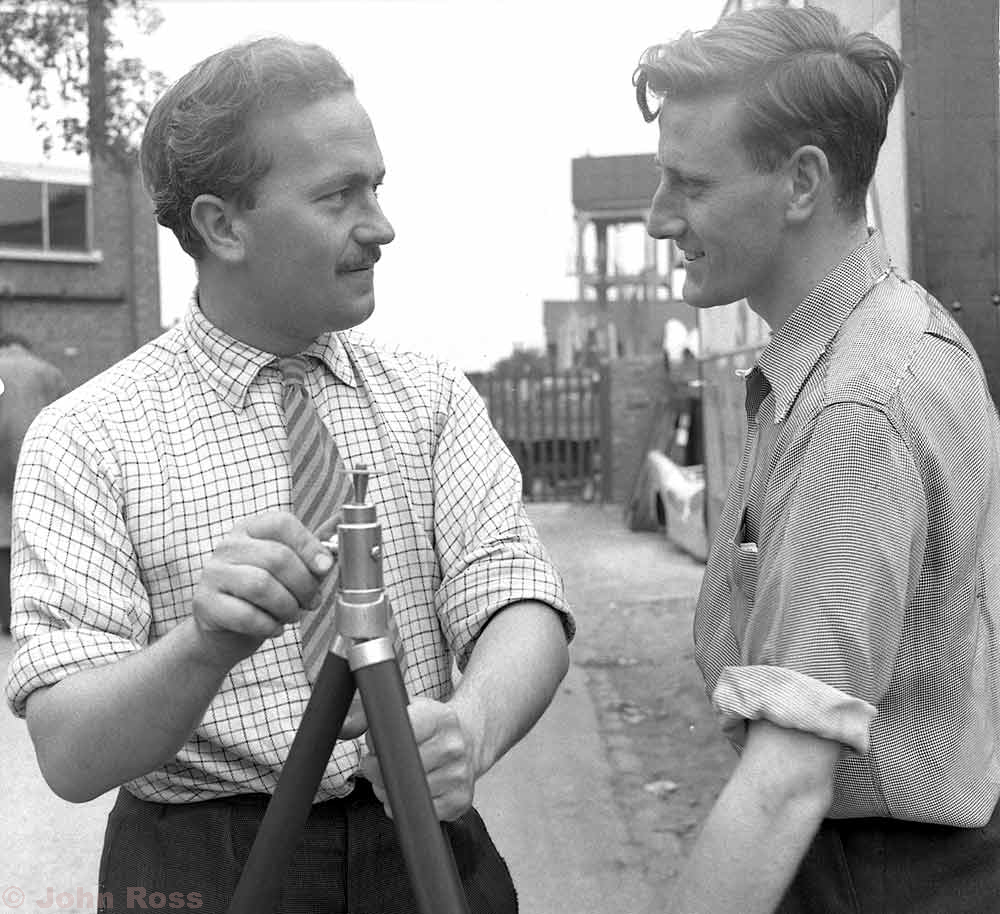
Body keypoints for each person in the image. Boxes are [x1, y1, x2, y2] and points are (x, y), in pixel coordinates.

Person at [4, 37, 573, 913]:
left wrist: (473, 725)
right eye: (338, 196)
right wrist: (202, 646)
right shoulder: (87, 439)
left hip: (423, 845)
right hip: (204, 865)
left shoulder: (430, 398)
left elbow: (517, 597)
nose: (381, 226)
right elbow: (70, 755)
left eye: (376, 187)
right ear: (222, 226)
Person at [634, 6, 1000, 914]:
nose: (658, 218)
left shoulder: (854, 409)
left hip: (878, 879)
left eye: (690, 184)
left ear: (801, 182)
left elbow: (787, 782)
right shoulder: (907, 329)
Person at [0, 334, 65, 634]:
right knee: (38, 534)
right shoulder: (48, 372)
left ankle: (5, 615)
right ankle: (35, 614)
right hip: (37, 459)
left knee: (3, 536)